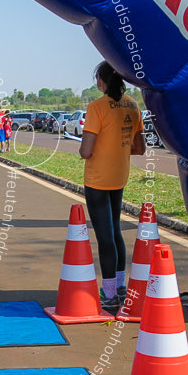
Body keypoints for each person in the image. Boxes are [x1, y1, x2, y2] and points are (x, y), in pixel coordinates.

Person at [79, 62, 144, 308]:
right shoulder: (133, 105)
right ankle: (119, 286)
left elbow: (86, 151)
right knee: (115, 231)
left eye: (97, 78)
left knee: (105, 236)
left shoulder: (97, 107)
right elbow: (139, 148)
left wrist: (86, 145)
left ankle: (109, 295)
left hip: (97, 179)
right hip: (119, 177)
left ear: (102, 80)